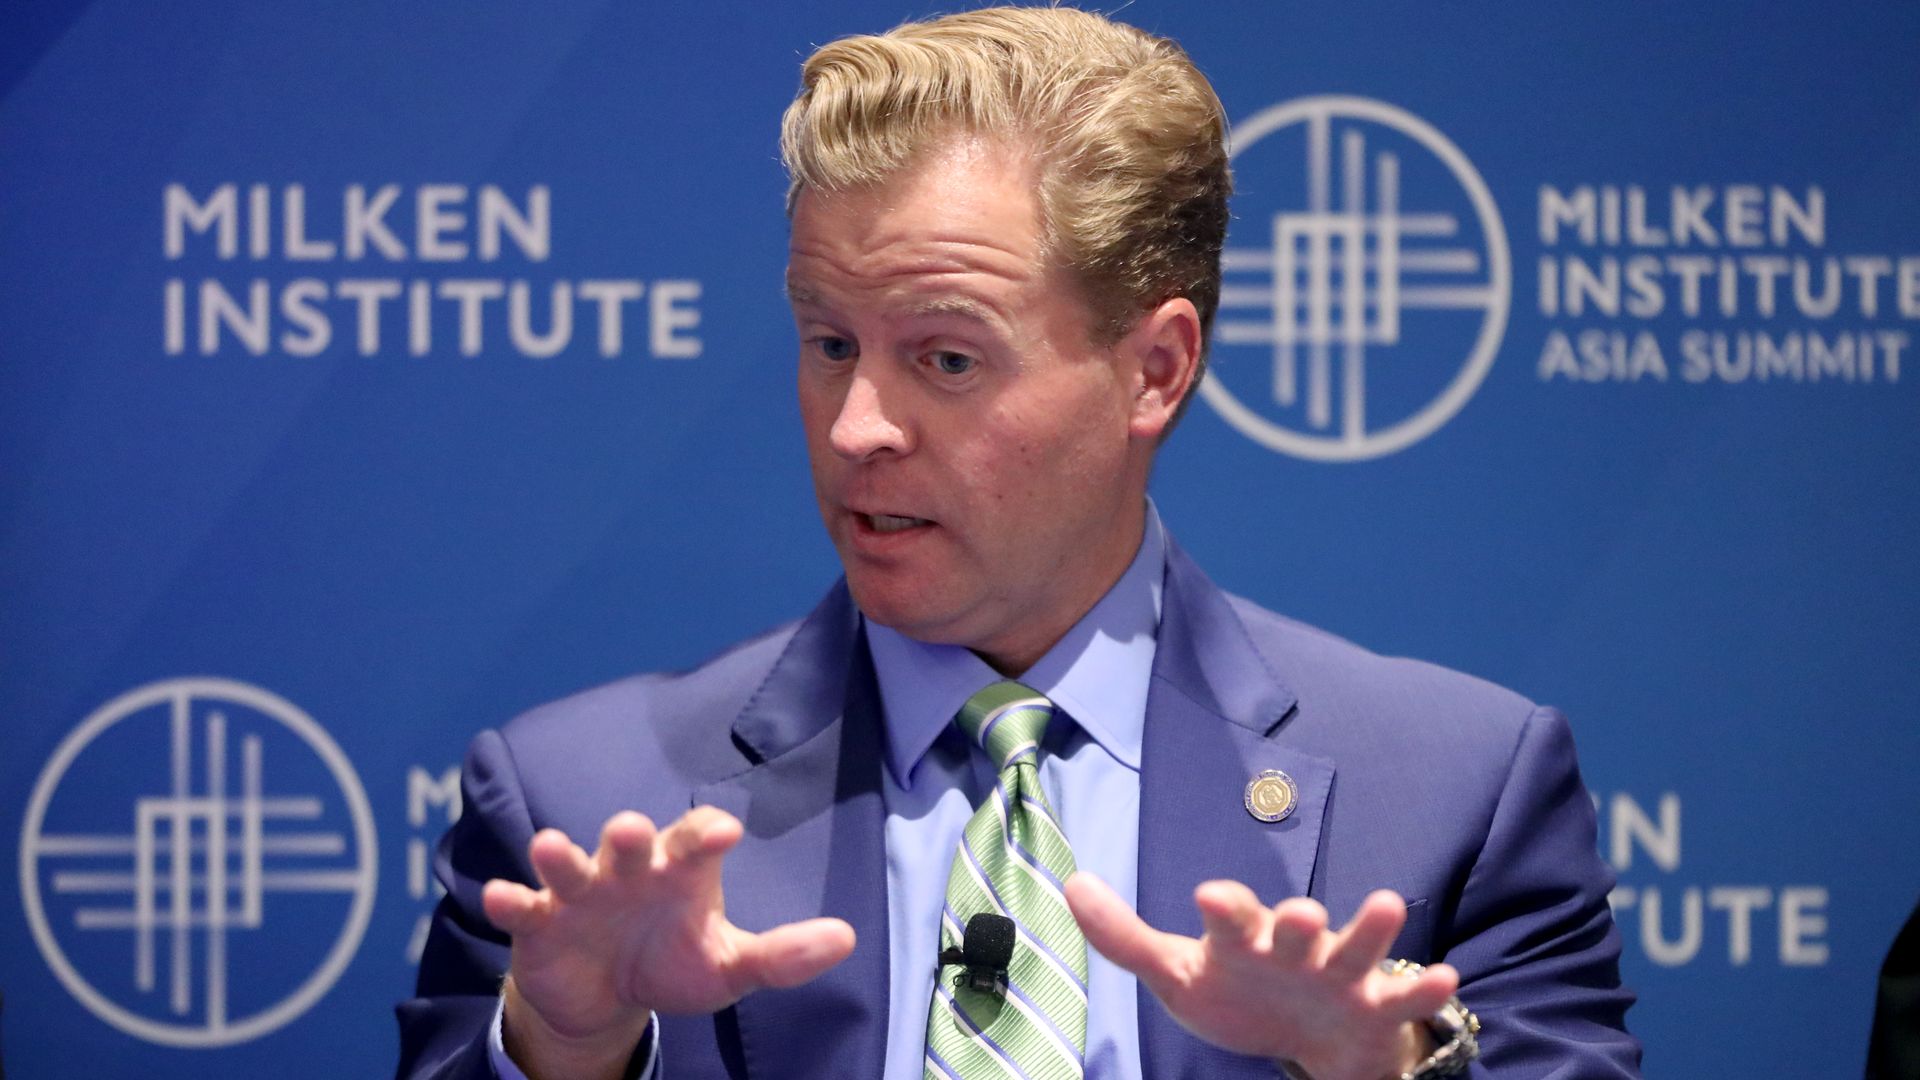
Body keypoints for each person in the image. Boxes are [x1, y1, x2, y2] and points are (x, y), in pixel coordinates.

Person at [396, 8, 1640, 1078]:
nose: (860, 426)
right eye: (831, 343)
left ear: (1154, 371)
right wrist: (564, 1045)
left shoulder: (1451, 797)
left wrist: (1381, 1074)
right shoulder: (579, 807)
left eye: (946, 357)